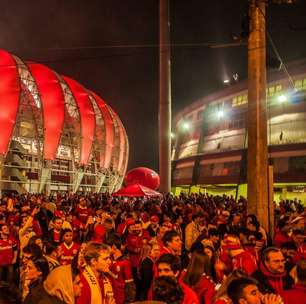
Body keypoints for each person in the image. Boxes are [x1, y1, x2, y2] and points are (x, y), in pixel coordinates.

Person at [106, 233, 136, 304]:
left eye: (107, 246)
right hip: (110, 298)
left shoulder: (125, 263)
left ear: (113, 247)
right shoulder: (108, 261)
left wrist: (129, 301)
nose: (106, 249)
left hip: (121, 300)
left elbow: (130, 285)